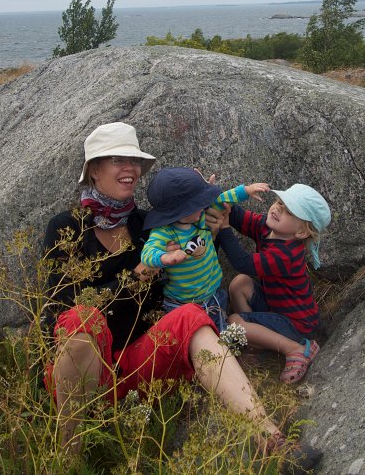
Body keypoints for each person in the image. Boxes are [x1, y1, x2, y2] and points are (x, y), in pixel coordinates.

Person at [42, 122, 322, 473]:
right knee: (82, 318)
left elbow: (202, 232)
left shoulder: (150, 225)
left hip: (136, 366)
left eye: (134, 161)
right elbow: (57, 308)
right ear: (94, 170)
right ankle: (67, 453)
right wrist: (139, 275)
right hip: (79, 373)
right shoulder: (66, 227)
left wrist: (206, 204)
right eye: (116, 159)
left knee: (192, 317)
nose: (129, 168)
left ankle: (273, 443)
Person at [217, 184, 331, 384]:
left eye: (289, 212)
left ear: (302, 233)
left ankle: (296, 349)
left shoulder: (287, 254)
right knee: (239, 283)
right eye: (280, 202)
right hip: (276, 310)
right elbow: (240, 217)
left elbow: (242, 262)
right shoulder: (267, 227)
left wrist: (224, 229)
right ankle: (257, 343)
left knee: (233, 322)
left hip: (297, 326)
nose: (278, 209)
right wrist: (216, 196)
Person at [140, 167, 269, 331]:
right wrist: (165, 257)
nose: (203, 206)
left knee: (220, 329)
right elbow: (147, 253)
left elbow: (223, 199)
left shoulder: (199, 216)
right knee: (191, 336)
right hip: (182, 302)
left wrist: (245, 190)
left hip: (213, 293)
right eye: (196, 204)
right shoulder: (164, 232)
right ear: (180, 210)